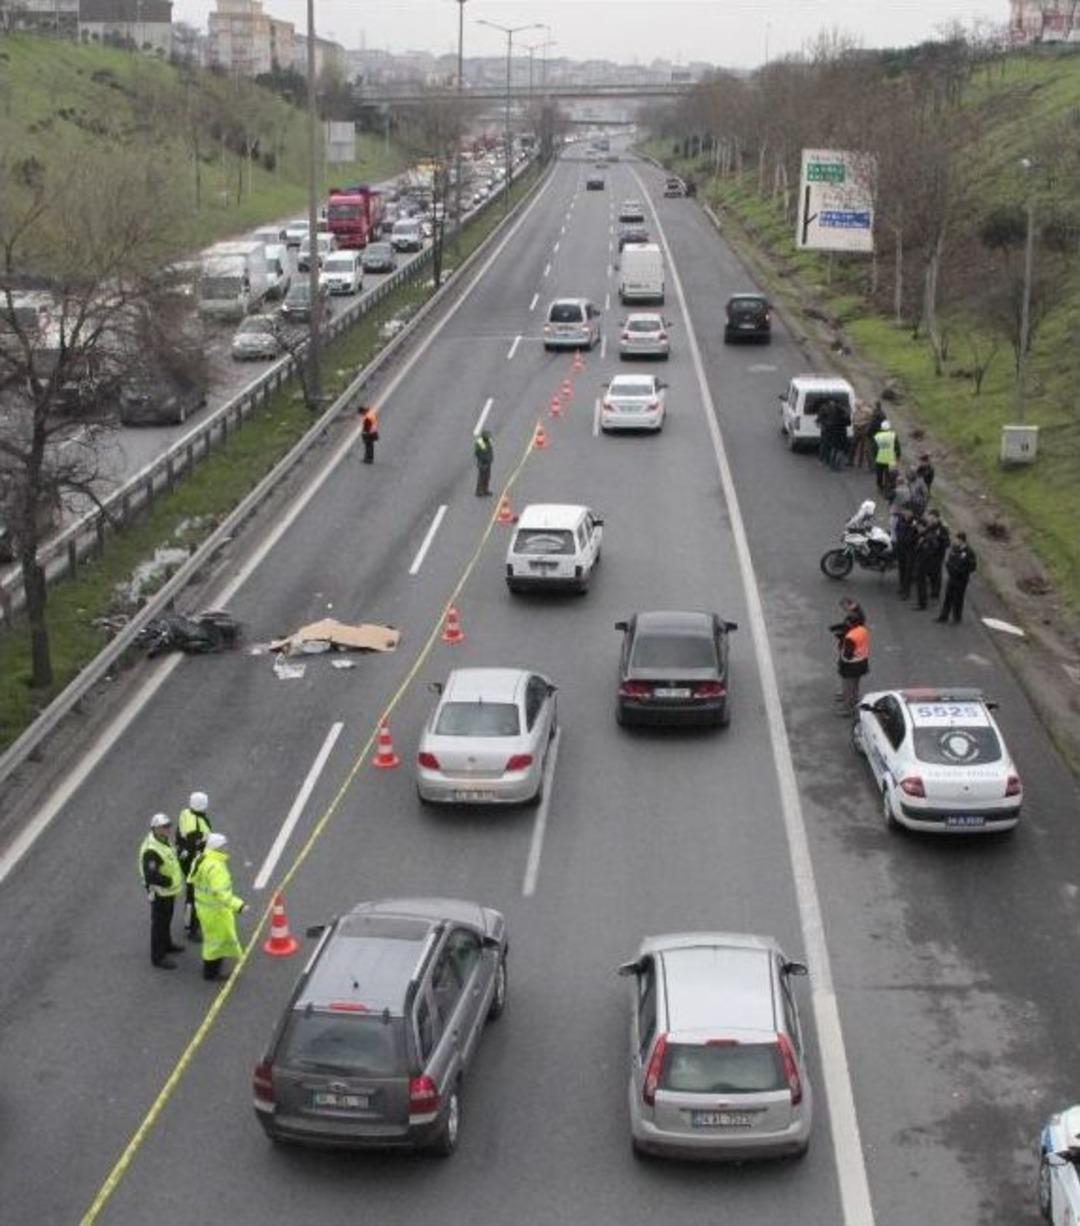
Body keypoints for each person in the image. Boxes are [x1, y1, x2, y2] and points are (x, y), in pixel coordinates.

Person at [188, 832, 245, 982]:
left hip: (204, 908)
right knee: (215, 943)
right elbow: (222, 894)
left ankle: (212, 968)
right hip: (215, 911)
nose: (226, 848)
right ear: (216, 848)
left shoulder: (201, 859)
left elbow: (192, 879)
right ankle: (211, 973)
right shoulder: (216, 867)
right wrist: (239, 905)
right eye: (223, 846)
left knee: (213, 939)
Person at [138, 813, 185, 970]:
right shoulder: (151, 851)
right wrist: (169, 882)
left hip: (168, 892)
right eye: (164, 827)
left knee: (167, 919)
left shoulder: (163, 840)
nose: (167, 829)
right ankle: (158, 957)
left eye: (168, 826)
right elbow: (151, 875)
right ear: (155, 829)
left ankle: (167, 944)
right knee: (159, 923)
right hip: (160, 892)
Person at [176, 790, 212, 940]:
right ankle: (191, 927)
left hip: (184, 857)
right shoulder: (196, 828)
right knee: (193, 894)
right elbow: (194, 848)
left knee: (193, 892)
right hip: (192, 862)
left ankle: (192, 921)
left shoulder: (186, 813)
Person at [833, 607, 871, 717]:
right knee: (855, 684)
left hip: (850, 666)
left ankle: (848, 709)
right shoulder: (863, 630)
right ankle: (854, 700)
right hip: (862, 662)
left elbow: (847, 655)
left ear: (851, 624)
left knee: (848, 687)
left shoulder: (850, 637)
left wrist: (842, 641)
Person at [937, 532, 977, 624]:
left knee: (958, 599)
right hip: (952, 577)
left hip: (961, 579)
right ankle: (944, 616)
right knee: (948, 597)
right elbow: (949, 560)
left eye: (956, 539)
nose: (955, 541)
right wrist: (950, 568)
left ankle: (957, 617)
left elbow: (972, 567)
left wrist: (962, 571)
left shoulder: (969, 552)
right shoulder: (954, 549)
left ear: (961, 540)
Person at [914, 509, 950, 610]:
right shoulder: (930, 527)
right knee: (928, 575)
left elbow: (947, 543)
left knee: (935, 575)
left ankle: (934, 593)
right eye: (929, 518)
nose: (930, 520)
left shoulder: (942, 529)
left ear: (937, 518)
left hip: (936, 556)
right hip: (927, 555)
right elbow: (923, 534)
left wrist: (938, 539)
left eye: (932, 518)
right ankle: (929, 596)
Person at [894, 506, 920, 600]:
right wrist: (899, 538)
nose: (906, 513)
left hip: (910, 549)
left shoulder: (915, 522)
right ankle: (902, 587)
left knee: (908, 572)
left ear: (912, 513)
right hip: (901, 547)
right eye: (905, 511)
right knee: (901, 569)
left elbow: (916, 535)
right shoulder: (901, 519)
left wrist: (910, 540)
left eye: (908, 511)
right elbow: (897, 529)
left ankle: (906, 592)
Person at [873, 419, 900, 491]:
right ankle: (889, 485)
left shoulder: (877, 436)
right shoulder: (893, 435)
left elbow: (874, 448)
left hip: (880, 458)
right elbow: (897, 447)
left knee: (879, 473)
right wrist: (898, 455)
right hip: (890, 458)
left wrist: (874, 456)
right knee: (889, 473)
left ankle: (880, 485)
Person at [850, 398, 876, 470]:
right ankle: (853, 461)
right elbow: (853, 420)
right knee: (854, 445)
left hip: (864, 430)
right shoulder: (856, 412)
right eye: (856, 406)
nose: (856, 407)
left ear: (861, 405)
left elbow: (871, 421)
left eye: (857, 405)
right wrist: (855, 425)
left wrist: (862, 424)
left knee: (865, 448)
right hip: (857, 430)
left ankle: (868, 464)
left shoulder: (867, 411)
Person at [474, 429, 494, 497]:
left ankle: (485, 490)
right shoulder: (480, 443)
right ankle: (479, 491)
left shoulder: (488, 441)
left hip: (488, 462)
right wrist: (483, 459)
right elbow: (477, 453)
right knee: (482, 477)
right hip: (482, 462)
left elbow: (490, 450)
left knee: (487, 476)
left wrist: (490, 459)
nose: (489, 438)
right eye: (487, 437)